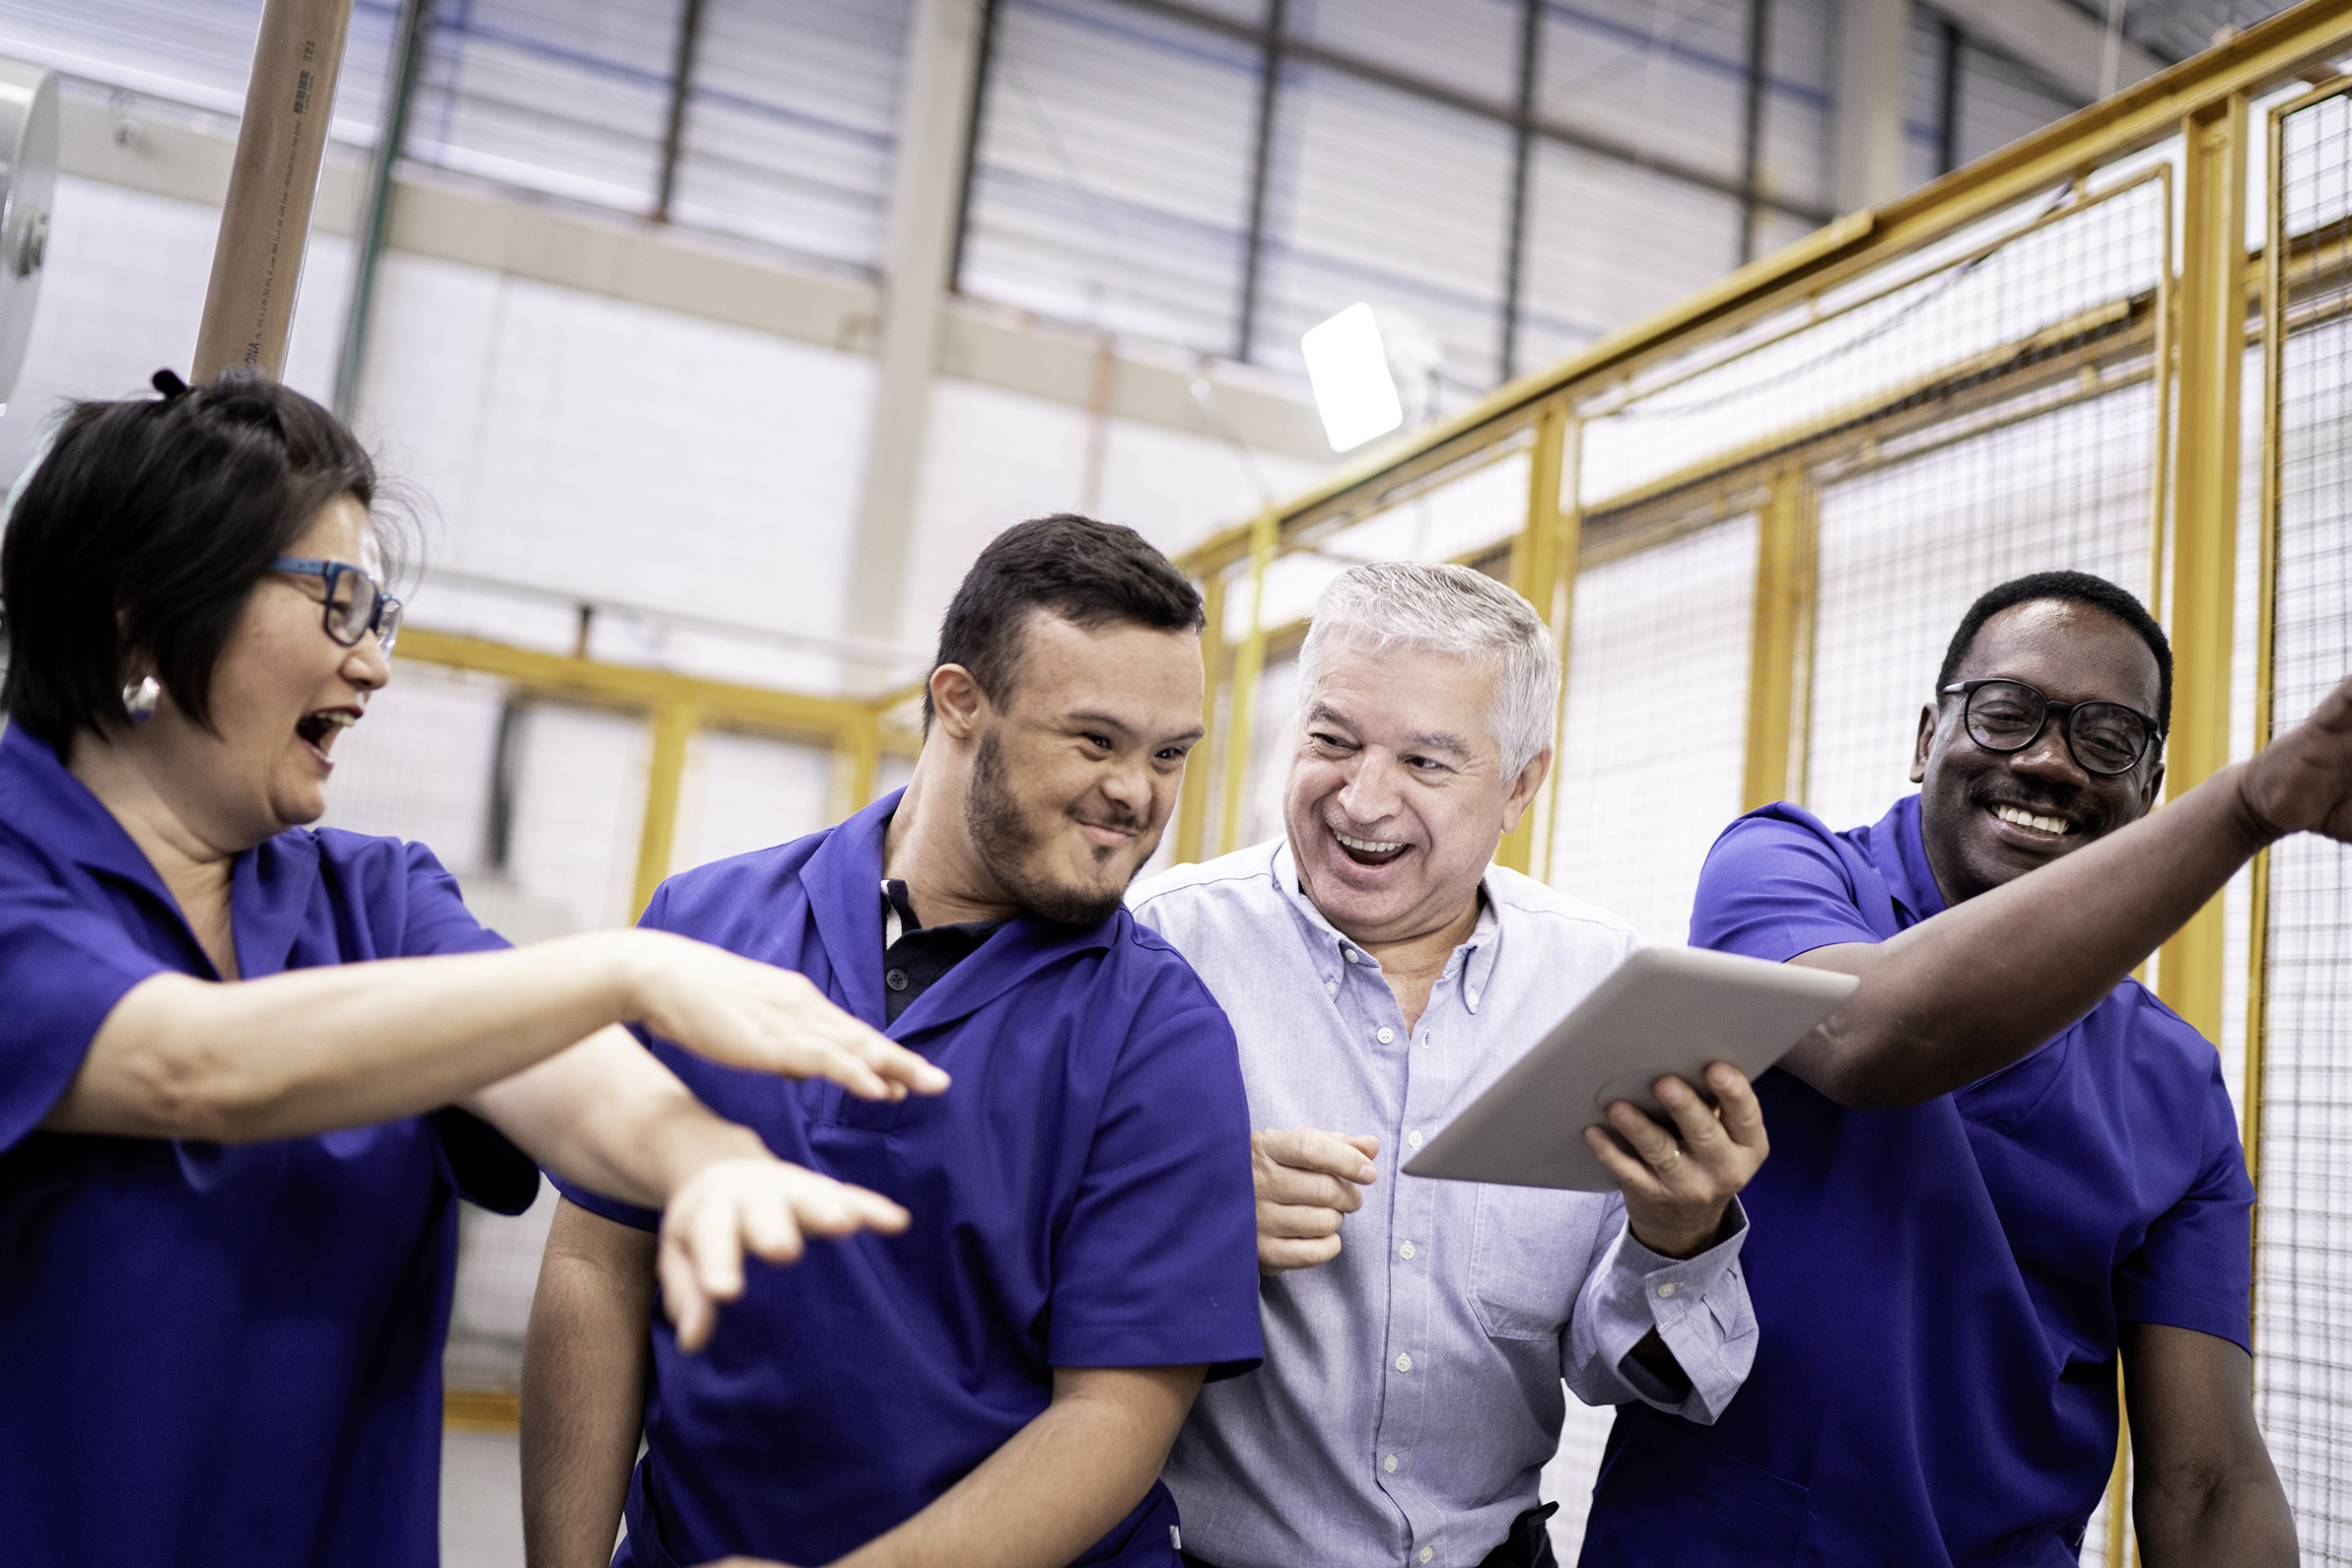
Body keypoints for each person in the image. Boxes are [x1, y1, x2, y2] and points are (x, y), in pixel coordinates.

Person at [0, 371, 946, 1568]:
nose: (374, 665)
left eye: (377, 615)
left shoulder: (372, 896)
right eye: (338, 602)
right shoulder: (16, 876)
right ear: (138, 614)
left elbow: (563, 1075)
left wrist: (701, 1162)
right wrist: (626, 967)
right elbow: (195, 1064)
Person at [520, 513, 1264, 1568]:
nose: (1136, 793)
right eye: (1095, 740)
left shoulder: (1160, 1034)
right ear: (960, 702)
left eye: (1169, 755)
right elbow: (600, 1260)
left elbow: (1115, 1419)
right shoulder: (704, 927)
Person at [1580, 570, 2351, 1564]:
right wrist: (2248, 805)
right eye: (2003, 715)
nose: (2049, 761)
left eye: (2106, 738)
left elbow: (2203, 1482)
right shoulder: (1787, 869)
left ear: (2148, 787)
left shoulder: (2175, 1081)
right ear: (1924, 740)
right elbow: (1875, 1037)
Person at [1128, 562, 1766, 1568]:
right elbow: (997, 1264)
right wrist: (1180, 1214)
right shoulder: (1156, 949)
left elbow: (1619, 1371)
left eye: (1426, 763)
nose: (1362, 798)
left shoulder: (1601, 986)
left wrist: (1677, 1236)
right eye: (1330, 741)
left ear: (1521, 783)